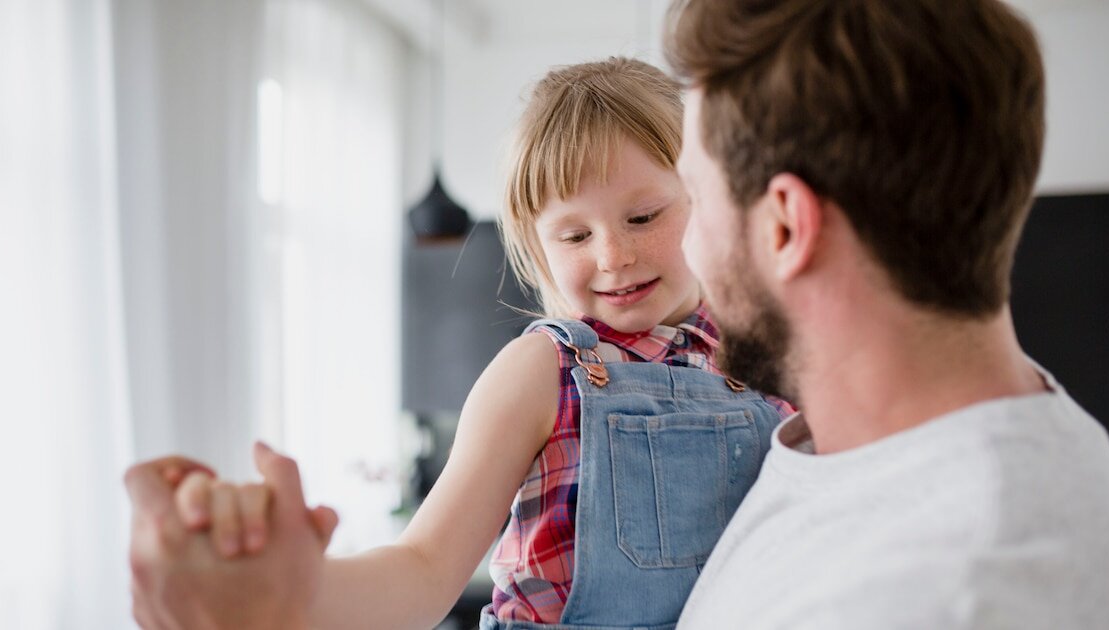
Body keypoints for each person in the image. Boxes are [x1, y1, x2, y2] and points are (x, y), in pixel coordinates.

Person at [125, 56, 792, 630]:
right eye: (574, 235)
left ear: (708, 198)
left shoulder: (770, 359)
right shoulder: (543, 371)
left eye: (643, 217)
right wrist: (293, 592)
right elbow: (422, 568)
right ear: (538, 247)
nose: (613, 255)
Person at [664, 0, 1109, 627]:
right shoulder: (888, 445)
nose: (687, 245)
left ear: (785, 227)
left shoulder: (943, 593)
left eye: (696, 197)